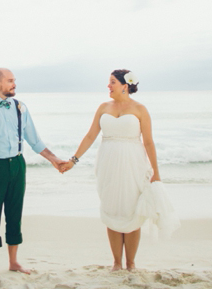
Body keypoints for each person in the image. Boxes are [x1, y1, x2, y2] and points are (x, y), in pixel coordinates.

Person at [60, 69, 178, 271]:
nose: (108, 86)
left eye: (112, 82)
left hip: (133, 164)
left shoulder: (140, 109)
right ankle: (116, 262)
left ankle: (130, 263)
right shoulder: (103, 107)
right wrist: (73, 160)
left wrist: (156, 172)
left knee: (132, 211)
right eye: (109, 82)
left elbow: (148, 142)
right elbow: (90, 136)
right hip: (108, 164)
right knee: (112, 209)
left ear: (125, 85)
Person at [0, 68, 67, 276]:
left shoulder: (20, 107)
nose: (14, 84)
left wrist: (54, 160)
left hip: (17, 165)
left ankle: (14, 262)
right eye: (10, 81)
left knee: (15, 214)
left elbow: (34, 140)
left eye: (14, 80)